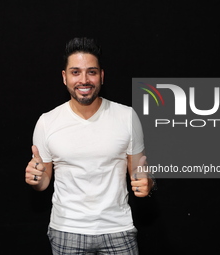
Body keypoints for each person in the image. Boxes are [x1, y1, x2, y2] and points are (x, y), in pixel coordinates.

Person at [25, 37, 155, 254]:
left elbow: (138, 173)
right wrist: (35, 179)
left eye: (91, 72)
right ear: (64, 77)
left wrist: (149, 184)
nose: (84, 80)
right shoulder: (47, 122)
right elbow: (44, 181)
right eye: (76, 72)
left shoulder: (127, 116)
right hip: (67, 230)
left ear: (101, 76)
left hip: (118, 229)